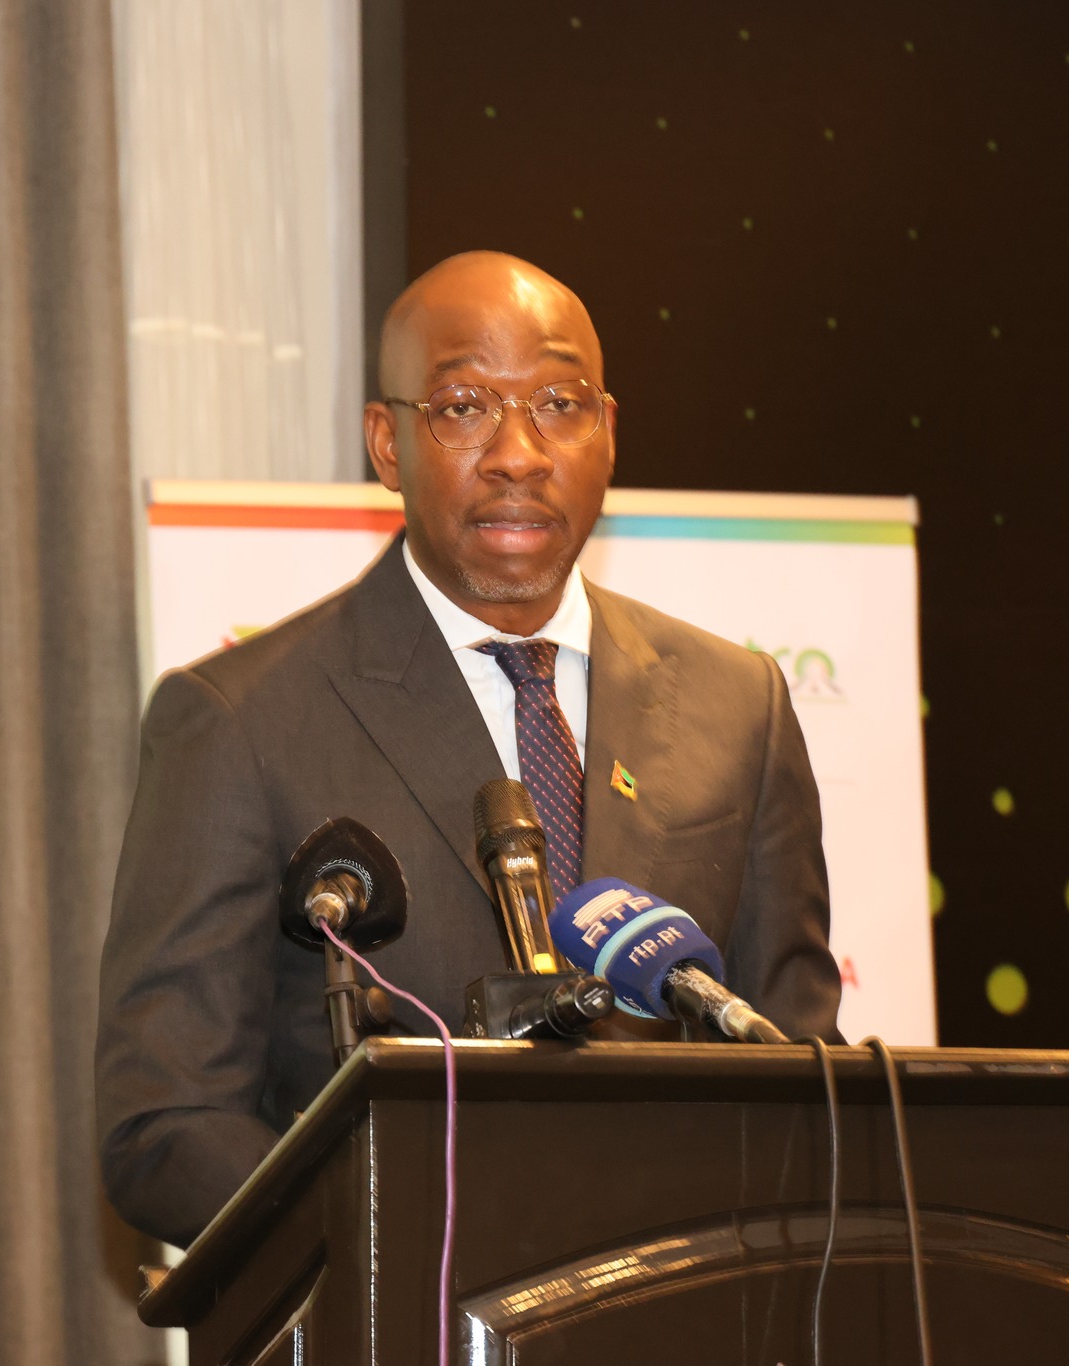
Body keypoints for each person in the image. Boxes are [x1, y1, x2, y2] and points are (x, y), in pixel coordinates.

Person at [95, 252, 841, 1249]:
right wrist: (411, 1249)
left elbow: (800, 1066)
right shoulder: (240, 721)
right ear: (387, 442)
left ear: (608, 432)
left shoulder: (737, 703)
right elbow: (166, 1123)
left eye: (559, 404)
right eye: (462, 408)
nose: (518, 454)